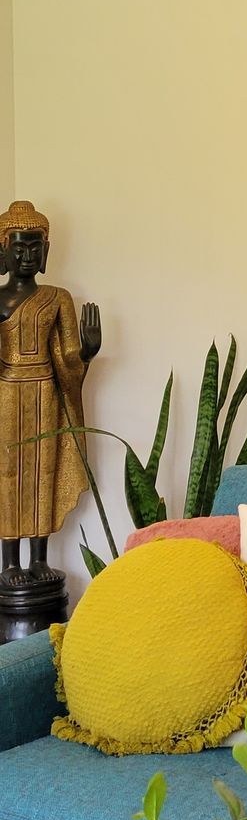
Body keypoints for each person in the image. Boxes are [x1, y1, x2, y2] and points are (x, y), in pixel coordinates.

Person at [0, 201, 100, 573]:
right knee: (7, 472)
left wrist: (86, 351)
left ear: (46, 251)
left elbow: (67, 358)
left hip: (45, 392)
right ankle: (10, 562)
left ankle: (39, 558)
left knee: (44, 470)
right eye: (19, 247)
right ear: (3, 251)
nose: (27, 255)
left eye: (35, 247)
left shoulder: (57, 298)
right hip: (7, 394)